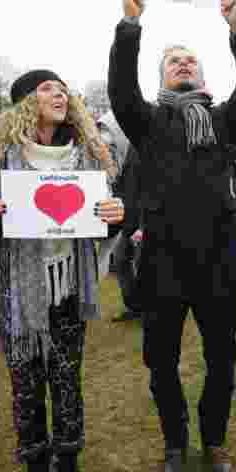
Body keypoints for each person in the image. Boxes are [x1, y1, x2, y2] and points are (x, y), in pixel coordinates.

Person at [108, 0, 236, 472]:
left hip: (217, 262)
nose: (182, 64)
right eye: (173, 60)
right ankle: (175, 442)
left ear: (202, 72)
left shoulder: (221, 122)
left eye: (190, 60)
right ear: (162, 74)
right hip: (162, 264)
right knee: (161, 364)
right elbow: (120, 90)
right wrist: (130, 25)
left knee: (222, 360)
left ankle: (214, 440)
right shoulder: (147, 123)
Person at [0, 70, 124, 472]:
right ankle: (35, 471)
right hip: (17, 288)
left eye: (62, 88)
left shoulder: (86, 156)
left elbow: (103, 218)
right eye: (46, 88)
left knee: (67, 380)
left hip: (69, 285)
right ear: (24, 105)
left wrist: (114, 216)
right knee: (26, 385)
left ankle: (69, 466)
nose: (59, 93)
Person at [97, 112, 142, 322]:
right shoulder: (126, 151)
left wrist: (145, 225)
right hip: (128, 217)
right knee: (122, 261)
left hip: (146, 219)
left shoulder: (147, 146)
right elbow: (123, 184)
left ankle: (152, 311)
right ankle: (134, 306)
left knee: (146, 265)